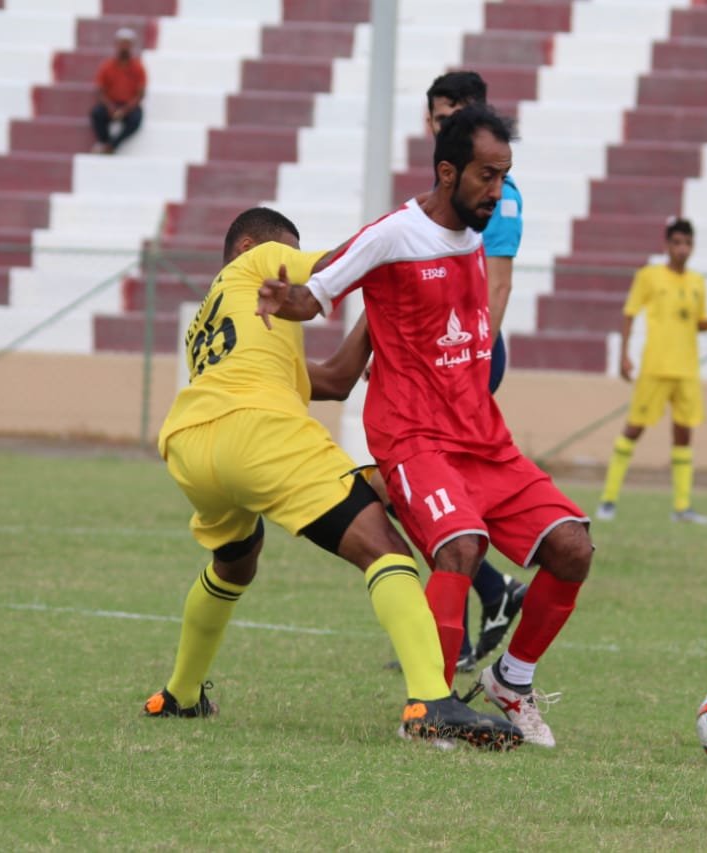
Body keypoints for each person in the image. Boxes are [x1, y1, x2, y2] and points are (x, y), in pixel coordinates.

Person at [257, 105, 593, 748]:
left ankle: (511, 682)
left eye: (504, 175)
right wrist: (282, 298)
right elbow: (316, 292)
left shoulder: (476, 235)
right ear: (447, 172)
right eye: (487, 176)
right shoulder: (393, 235)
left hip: (484, 438)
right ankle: (430, 707)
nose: (498, 190)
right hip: (412, 438)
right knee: (460, 547)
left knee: (573, 548)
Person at [142, 206, 522, 752]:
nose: (289, 265)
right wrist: (407, 258)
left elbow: (338, 380)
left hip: (189, 446)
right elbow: (339, 265)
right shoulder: (255, 263)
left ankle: (179, 694)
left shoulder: (217, 321)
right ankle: (429, 703)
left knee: (235, 560)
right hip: (256, 432)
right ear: (248, 247)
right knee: (385, 551)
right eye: (286, 252)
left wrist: (379, 316)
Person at [423, 70, 527, 670]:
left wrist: (469, 362)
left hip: (467, 356)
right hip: (436, 355)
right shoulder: (441, 191)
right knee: (424, 492)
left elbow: (499, 283)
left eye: (457, 117)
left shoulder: (497, 194)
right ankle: (483, 601)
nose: (447, 127)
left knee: (419, 489)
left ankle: (467, 618)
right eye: (440, 118)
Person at [596, 218, 707, 524]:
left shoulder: (697, 282)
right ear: (667, 245)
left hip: (687, 370)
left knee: (684, 434)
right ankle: (608, 499)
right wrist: (624, 355)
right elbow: (630, 314)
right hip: (656, 367)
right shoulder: (649, 276)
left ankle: (682, 507)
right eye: (677, 243)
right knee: (634, 429)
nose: (682, 249)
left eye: (688, 244)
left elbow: (697, 322)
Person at [90, 27, 145, 154]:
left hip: (129, 106)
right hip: (110, 104)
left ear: (132, 46)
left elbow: (140, 94)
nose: (124, 47)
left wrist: (125, 110)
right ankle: (105, 142)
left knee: (136, 119)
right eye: (122, 43)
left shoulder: (138, 67)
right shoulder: (107, 66)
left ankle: (112, 145)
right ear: (116, 45)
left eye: (127, 44)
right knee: (97, 113)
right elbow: (100, 90)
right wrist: (110, 108)